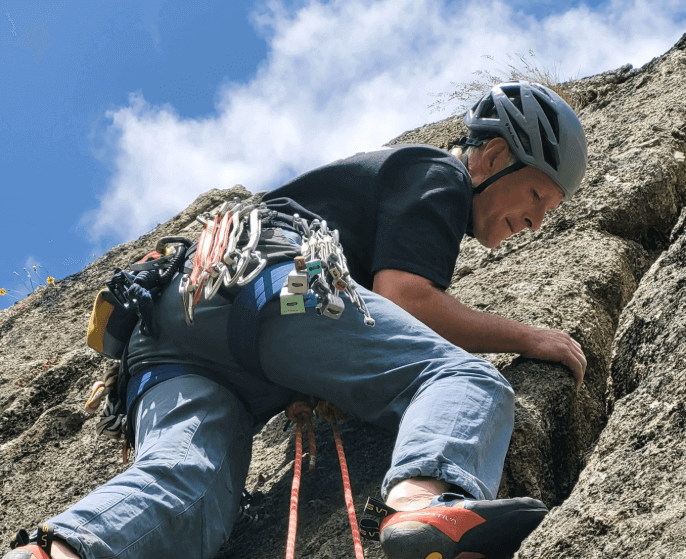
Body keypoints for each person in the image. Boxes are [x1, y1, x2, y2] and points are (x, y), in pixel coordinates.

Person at [5, 81, 588, 559]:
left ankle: (58, 552)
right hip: (268, 286)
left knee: (194, 490)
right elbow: (407, 297)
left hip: (168, 333)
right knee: (464, 381)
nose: (536, 221)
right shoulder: (440, 175)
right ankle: (424, 505)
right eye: (536, 195)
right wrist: (529, 337)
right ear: (491, 157)